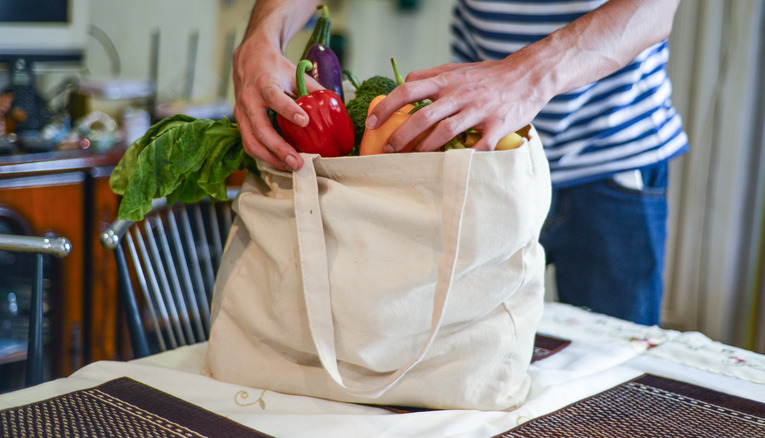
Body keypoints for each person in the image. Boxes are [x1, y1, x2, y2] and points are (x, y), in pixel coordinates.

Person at [232, 0, 689, 326]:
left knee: (610, 376)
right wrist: (260, 40)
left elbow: (654, 9)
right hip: (472, 160)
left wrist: (525, 75)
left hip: (611, 158)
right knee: (461, 357)